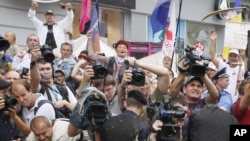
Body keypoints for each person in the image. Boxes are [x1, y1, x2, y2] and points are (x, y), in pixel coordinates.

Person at [30, 47, 77, 118]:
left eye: (48, 69)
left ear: (52, 70)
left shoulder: (64, 88)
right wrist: (33, 62)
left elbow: (77, 110)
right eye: (42, 69)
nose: (46, 72)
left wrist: (65, 103)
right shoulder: (38, 88)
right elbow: (35, 79)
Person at [209, 30, 245, 103]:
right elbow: (212, 57)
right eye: (231, 56)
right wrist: (213, 41)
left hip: (236, 100)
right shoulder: (224, 66)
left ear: (238, 58)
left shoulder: (241, 68)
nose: (233, 57)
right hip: (223, 99)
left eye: (235, 56)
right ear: (228, 57)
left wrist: (244, 54)